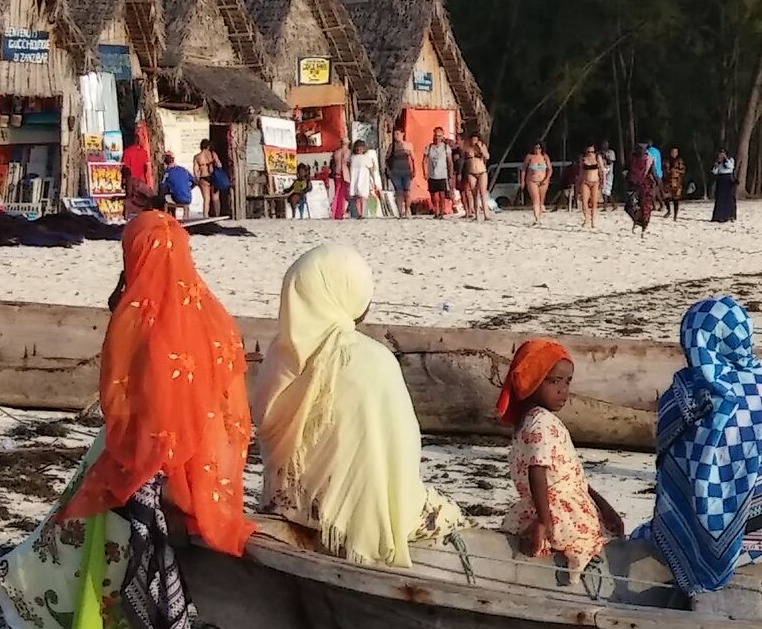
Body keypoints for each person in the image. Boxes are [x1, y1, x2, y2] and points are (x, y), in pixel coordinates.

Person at [0, 214, 258, 629]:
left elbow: (140, 416)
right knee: (60, 543)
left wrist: (137, 476)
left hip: (147, 473)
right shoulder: (212, 315)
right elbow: (230, 419)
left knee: (73, 548)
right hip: (193, 477)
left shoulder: (144, 315)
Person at [256, 244, 465, 568]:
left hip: (284, 504)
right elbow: (399, 452)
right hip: (351, 520)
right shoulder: (369, 359)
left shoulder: (278, 356)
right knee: (452, 516)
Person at [639, 297, 762, 596]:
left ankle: (695, 550)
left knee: (649, 533)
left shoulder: (676, 397)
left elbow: (671, 473)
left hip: (703, 532)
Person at [496, 339, 623, 573]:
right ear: (530, 381)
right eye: (554, 381)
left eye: (567, 382)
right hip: (561, 516)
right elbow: (537, 472)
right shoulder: (541, 423)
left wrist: (602, 504)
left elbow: (570, 476)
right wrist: (544, 521)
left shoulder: (525, 423)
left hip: (543, 506)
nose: (563, 390)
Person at [343, 139, 380, 220]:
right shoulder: (352, 158)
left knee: (363, 196)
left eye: (361, 148)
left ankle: (362, 213)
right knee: (357, 197)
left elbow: (371, 170)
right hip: (355, 178)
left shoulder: (367, 158)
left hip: (364, 179)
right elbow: (348, 167)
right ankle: (359, 213)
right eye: (357, 147)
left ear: (364, 148)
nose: (359, 149)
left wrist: (373, 180)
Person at [626, 144, 655, 234]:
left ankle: (643, 225)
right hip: (634, 185)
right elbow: (626, 170)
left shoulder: (648, 159)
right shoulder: (632, 158)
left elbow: (652, 172)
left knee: (645, 206)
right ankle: (639, 221)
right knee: (629, 206)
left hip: (645, 186)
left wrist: (655, 184)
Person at [423, 130, 453, 217]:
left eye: (439, 136)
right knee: (433, 195)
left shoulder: (446, 147)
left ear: (442, 136)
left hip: (442, 174)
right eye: (436, 135)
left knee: (442, 195)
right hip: (432, 174)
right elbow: (424, 160)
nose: (437, 138)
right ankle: (436, 211)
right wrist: (425, 172)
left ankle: (441, 212)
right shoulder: (429, 147)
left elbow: (449, 161)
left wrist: (450, 173)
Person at [160, 151, 196, 220]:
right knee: (174, 195)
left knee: (166, 200)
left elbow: (162, 186)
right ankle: (185, 220)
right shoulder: (183, 170)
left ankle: (167, 220)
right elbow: (194, 181)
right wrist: (188, 188)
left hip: (177, 198)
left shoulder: (168, 172)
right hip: (188, 198)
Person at [385, 137, 414, 217]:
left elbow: (413, 158)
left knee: (407, 192)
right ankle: (400, 212)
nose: (396, 136)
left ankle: (407, 209)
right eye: (395, 134)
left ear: (402, 134)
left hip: (407, 171)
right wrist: (389, 171)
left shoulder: (408, 145)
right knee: (399, 192)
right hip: (396, 172)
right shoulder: (392, 146)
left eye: (398, 133)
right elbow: (387, 159)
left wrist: (414, 170)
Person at [524, 143, 551, 224]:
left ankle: (539, 215)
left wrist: (546, 179)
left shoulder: (545, 157)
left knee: (541, 200)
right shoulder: (529, 157)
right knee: (536, 199)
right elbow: (523, 169)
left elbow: (549, 169)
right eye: (536, 148)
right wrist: (522, 181)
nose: (537, 149)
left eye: (539, 148)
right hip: (532, 180)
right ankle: (537, 218)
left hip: (543, 180)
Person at [578, 144, 603, 228]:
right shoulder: (583, 158)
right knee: (584, 201)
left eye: (592, 151)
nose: (590, 153)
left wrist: (603, 181)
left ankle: (593, 220)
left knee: (594, 202)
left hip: (595, 182)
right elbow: (581, 171)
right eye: (588, 151)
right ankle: (586, 219)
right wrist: (578, 183)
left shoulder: (597, 158)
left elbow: (602, 170)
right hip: (585, 182)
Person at [711, 150, 738, 223]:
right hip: (721, 179)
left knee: (729, 198)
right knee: (720, 198)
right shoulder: (718, 162)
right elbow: (714, 172)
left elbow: (731, 167)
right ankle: (719, 216)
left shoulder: (730, 160)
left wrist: (725, 159)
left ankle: (729, 215)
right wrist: (716, 165)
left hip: (728, 179)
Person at [663, 147, 686, 220]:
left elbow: (683, 171)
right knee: (666, 198)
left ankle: (675, 216)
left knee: (676, 199)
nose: (674, 154)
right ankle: (669, 210)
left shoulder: (679, 161)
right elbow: (663, 169)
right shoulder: (667, 161)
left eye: (675, 152)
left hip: (677, 182)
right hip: (668, 182)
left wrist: (676, 172)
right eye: (672, 152)